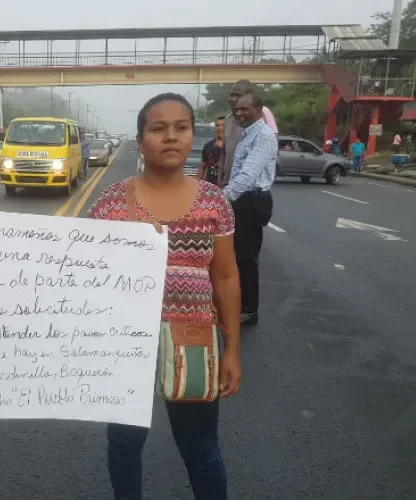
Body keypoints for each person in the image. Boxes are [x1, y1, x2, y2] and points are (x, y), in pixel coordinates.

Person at [88, 93, 242, 500]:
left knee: (201, 450)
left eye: (181, 127)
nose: (170, 137)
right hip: (124, 346)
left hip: (192, 343)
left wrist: (232, 351)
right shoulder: (109, 205)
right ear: (140, 141)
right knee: (124, 445)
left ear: (193, 135)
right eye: (158, 129)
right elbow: (85, 277)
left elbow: (225, 276)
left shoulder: (214, 202)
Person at [224, 92, 277, 326]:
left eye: (244, 109)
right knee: (235, 256)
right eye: (237, 109)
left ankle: (248, 310)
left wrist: (222, 198)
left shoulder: (263, 137)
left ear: (259, 110)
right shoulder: (248, 135)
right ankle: (237, 303)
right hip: (242, 199)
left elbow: (248, 175)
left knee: (246, 258)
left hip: (252, 201)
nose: (239, 113)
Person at [197, 115, 225, 186]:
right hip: (210, 186)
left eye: (222, 125)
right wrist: (196, 184)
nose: (219, 128)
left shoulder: (233, 146)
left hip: (226, 186)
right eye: (217, 125)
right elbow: (202, 168)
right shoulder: (208, 146)